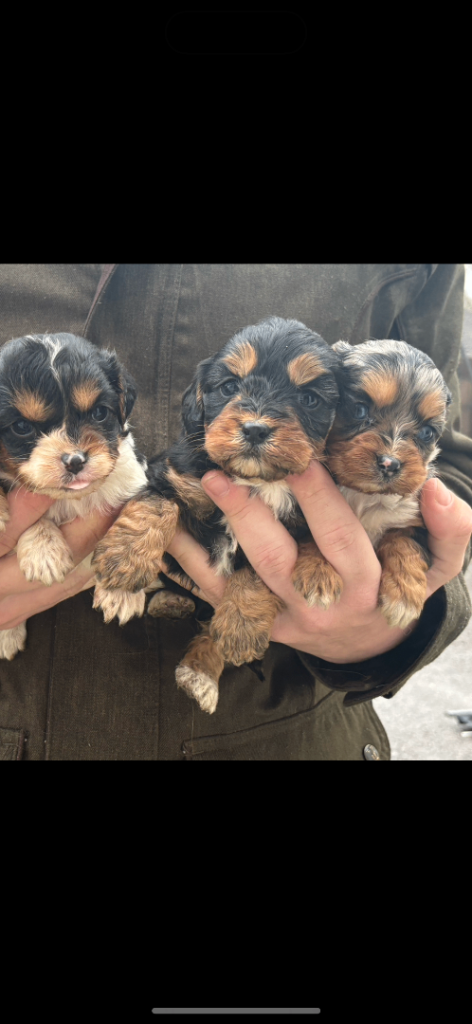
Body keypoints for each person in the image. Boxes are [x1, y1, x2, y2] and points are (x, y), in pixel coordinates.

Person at [0, 263, 471, 760]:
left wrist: (398, 625)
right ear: (201, 398)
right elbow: (162, 488)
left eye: (310, 398)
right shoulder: (192, 461)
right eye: (228, 390)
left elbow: (448, 460)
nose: (258, 419)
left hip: (288, 726)